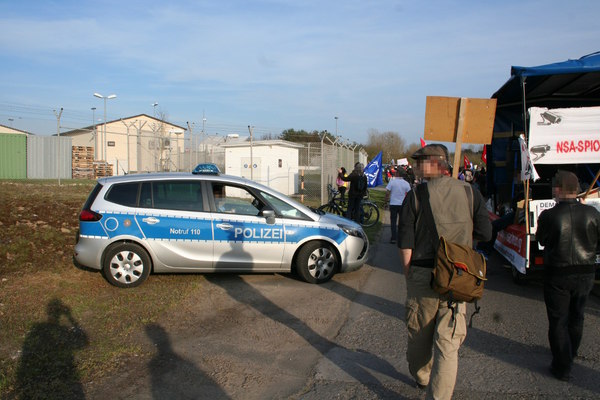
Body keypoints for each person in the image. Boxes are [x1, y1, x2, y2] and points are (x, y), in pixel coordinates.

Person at [397, 144, 491, 399]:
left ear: (434, 165)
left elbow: (406, 242)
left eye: (420, 162)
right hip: (458, 278)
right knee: (448, 345)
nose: (417, 167)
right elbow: (485, 233)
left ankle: (422, 376)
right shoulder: (471, 193)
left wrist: (409, 275)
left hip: (422, 276)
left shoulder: (414, 196)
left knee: (419, 336)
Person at [536, 170, 600, 382]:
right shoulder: (593, 214)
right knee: (577, 315)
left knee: (558, 319)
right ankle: (569, 354)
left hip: (558, 273)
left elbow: (542, 241)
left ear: (558, 190)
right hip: (586, 272)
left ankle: (562, 366)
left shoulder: (549, 215)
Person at [385, 168, 411, 244]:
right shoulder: (406, 183)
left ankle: (393, 238)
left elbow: (387, 193)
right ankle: (401, 237)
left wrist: (385, 202)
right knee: (401, 221)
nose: (395, 173)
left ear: (398, 174)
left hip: (393, 204)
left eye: (396, 172)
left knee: (393, 221)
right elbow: (409, 194)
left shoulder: (392, 182)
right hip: (402, 204)